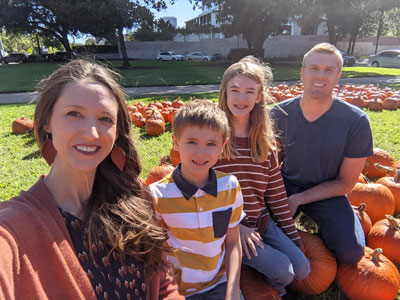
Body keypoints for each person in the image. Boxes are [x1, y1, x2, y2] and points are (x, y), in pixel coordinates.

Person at [0, 60, 183, 300]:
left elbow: (164, 284)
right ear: (46, 122)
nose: (92, 133)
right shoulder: (13, 228)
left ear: (117, 131)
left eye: (105, 119)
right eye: (74, 114)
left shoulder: (135, 196)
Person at [213, 56, 310, 296]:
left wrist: (292, 235)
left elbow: (276, 194)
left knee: (302, 268)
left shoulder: (263, 143)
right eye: (234, 90)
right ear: (224, 93)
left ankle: (255, 265)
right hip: (228, 227)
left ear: (259, 96)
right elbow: (202, 190)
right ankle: (269, 286)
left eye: (249, 91)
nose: (241, 98)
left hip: (261, 223)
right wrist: (235, 226)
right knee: (284, 272)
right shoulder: (213, 139)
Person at [271, 43, 373, 265]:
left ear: (338, 76)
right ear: (302, 72)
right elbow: (271, 163)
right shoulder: (278, 114)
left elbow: (345, 183)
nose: (320, 75)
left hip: (329, 191)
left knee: (351, 255)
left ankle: (347, 219)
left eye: (328, 70)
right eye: (313, 68)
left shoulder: (356, 121)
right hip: (286, 183)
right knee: (259, 233)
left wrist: (298, 200)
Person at [149, 100, 245, 300]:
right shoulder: (157, 195)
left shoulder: (230, 187)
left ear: (222, 146)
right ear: (176, 142)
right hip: (177, 290)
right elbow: (154, 255)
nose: (201, 153)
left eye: (211, 144)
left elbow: (233, 242)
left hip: (219, 284)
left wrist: (233, 289)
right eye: (192, 142)